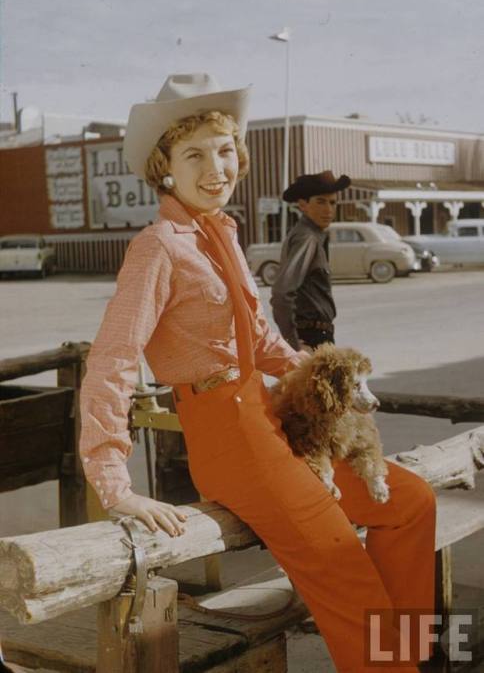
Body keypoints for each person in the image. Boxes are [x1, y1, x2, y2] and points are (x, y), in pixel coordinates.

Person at [80, 73, 435, 672]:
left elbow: (263, 340)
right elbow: (112, 361)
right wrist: (115, 487)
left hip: (270, 418)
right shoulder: (159, 247)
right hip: (230, 438)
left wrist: (324, 378)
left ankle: (404, 660)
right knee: (348, 577)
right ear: (164, 167)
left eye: (224, 149)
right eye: (194, 154)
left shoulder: (221, 233)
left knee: (411, 502)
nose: (216, 166)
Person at [271, 170, 350, 350]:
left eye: (332, 203)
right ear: (303, 205)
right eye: (320, 202)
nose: (328, 210)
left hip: (318, 336)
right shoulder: (307, 238)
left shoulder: (314, 235)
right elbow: (281, 294)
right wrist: (293, 343)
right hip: (311, 338)